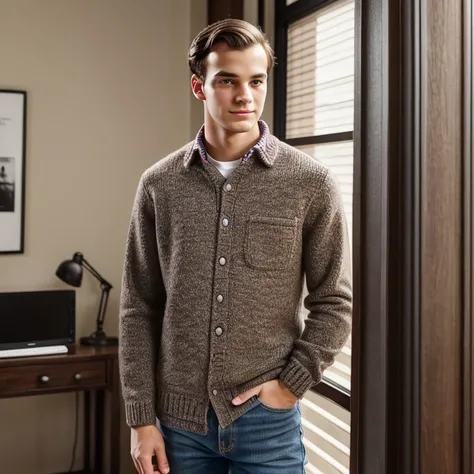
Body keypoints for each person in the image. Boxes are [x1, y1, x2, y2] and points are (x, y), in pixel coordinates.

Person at [119, 18, 352, 474]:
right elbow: (138, 308)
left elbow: (335, 302)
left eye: (256, 80)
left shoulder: (310, 182)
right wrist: (140, 419)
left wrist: (289, 386)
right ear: (199, 86)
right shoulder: (159, 185)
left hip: (268, 426)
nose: (245, 95)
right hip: (178, 427)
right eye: (227, 80)